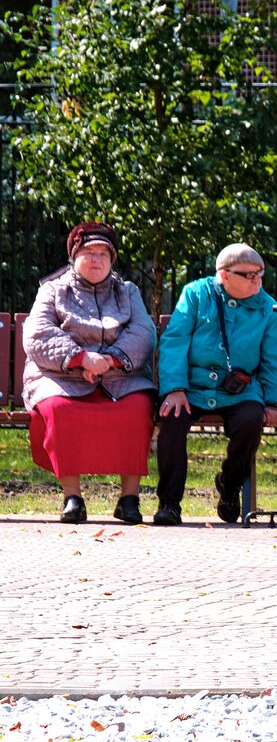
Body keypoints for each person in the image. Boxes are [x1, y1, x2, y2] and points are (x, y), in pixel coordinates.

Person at [21, 222, 157, 524]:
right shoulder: (52, 290)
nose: (95, 259)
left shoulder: (128, 292)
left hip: (120, 378)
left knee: (138, 408)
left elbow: (143, 333)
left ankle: (129, 499)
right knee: (58, 409)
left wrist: (110, 360)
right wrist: (80, 358)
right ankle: (73, 497)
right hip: (61, 378)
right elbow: (37, 334)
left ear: (112, 260)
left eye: (103, 254)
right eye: (88, 252)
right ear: (74, 257)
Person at [154, 243, 277, 526]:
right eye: (248, 275)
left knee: (251, 420)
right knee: (172, 420)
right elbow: (174, 341)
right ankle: (169, 503)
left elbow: (273, 358)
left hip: (239, 387)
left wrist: (275, 402)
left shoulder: (267, 306)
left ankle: (229, 486)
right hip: (192, 384)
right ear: (224, 276)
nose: (257, 281)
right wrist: (175, 389)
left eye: (259, 274)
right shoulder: (195, 294)